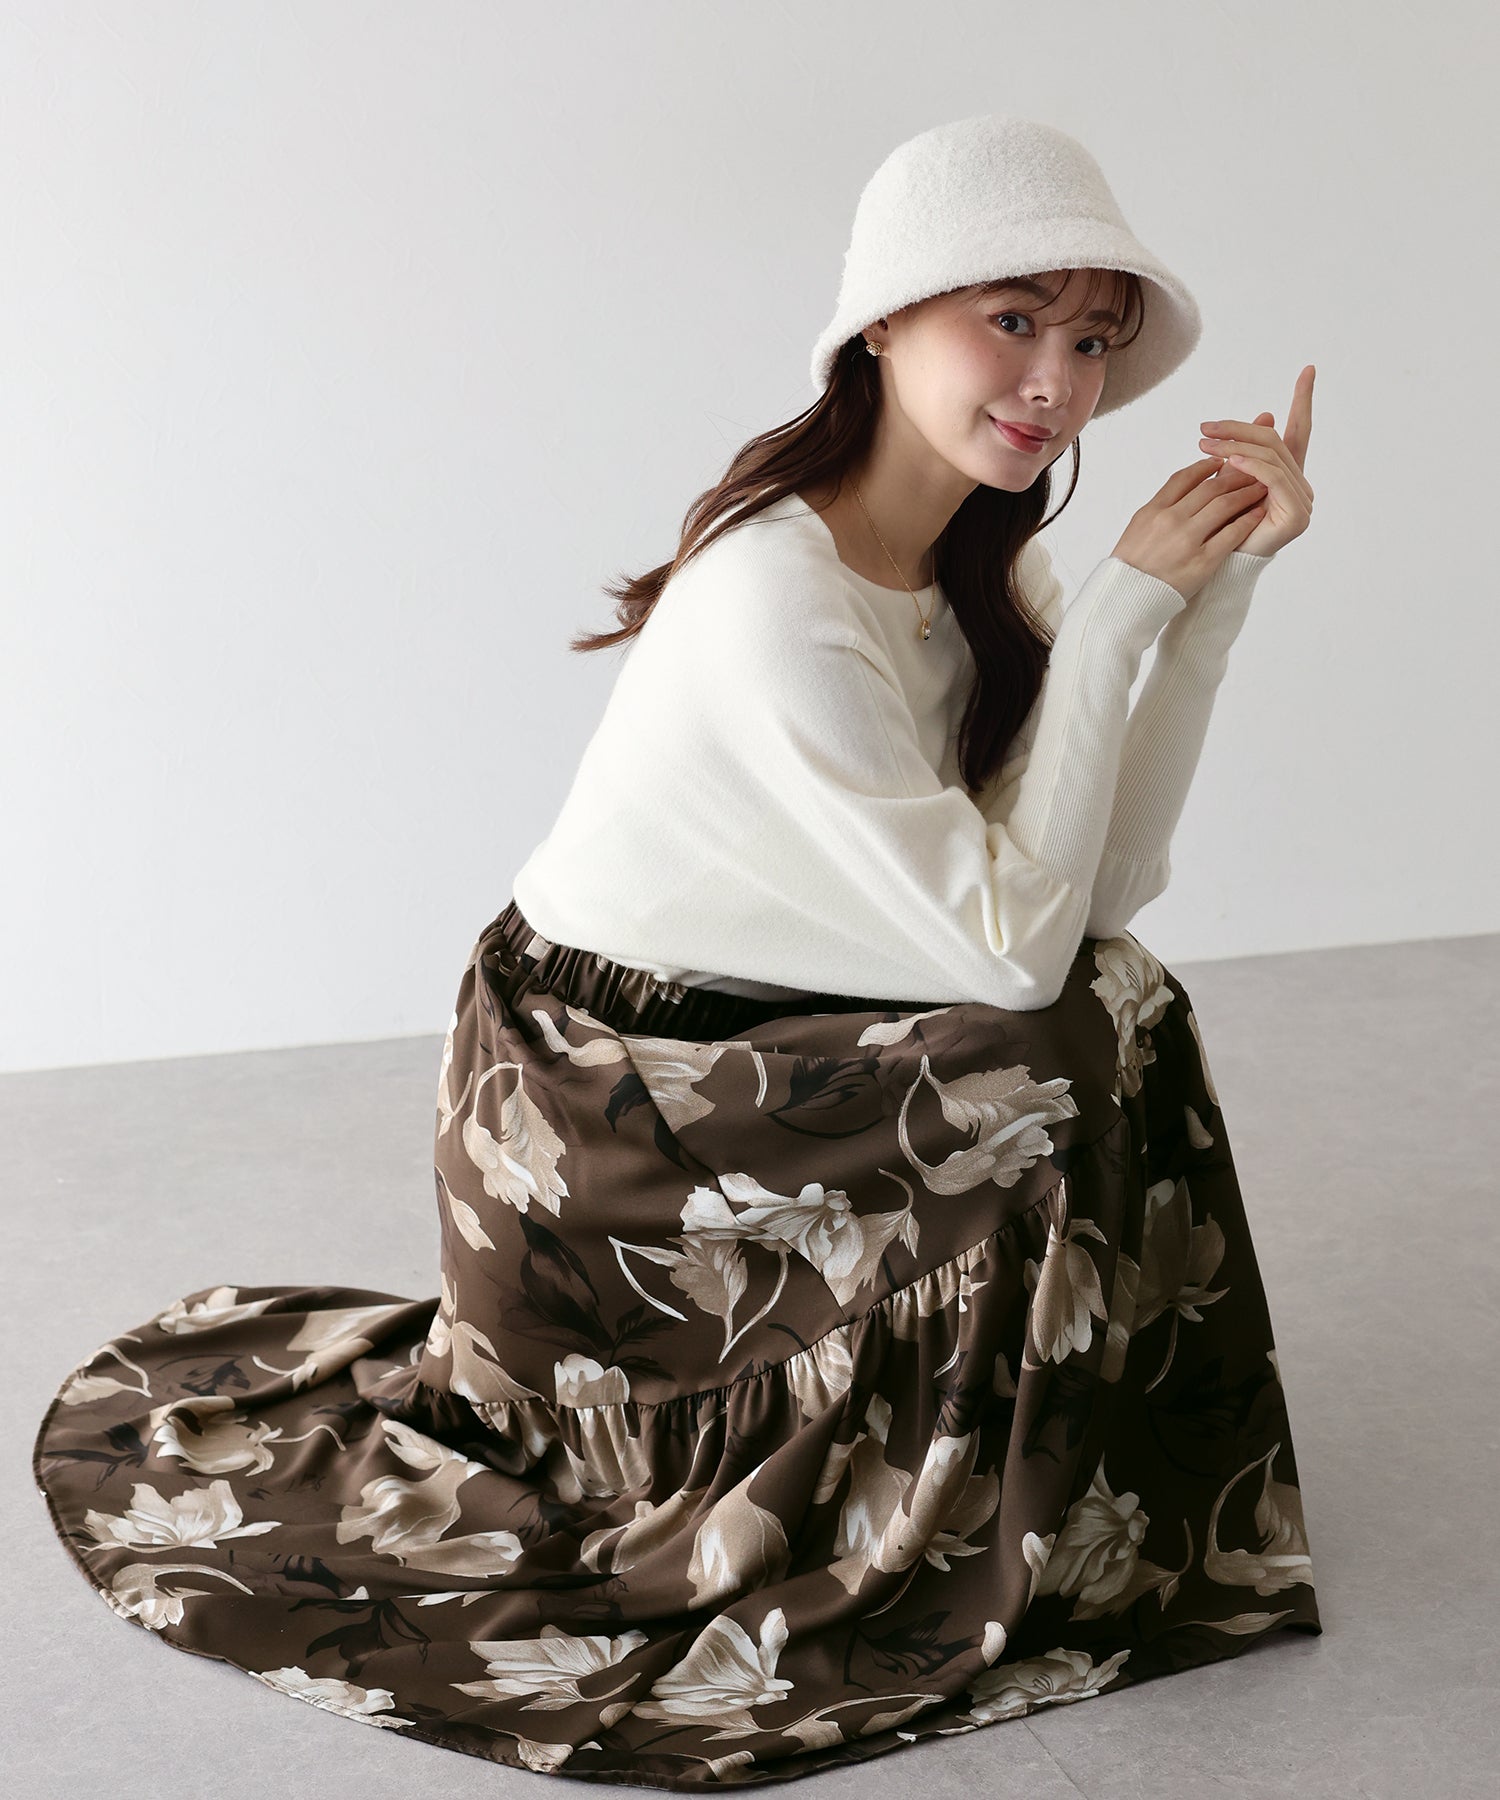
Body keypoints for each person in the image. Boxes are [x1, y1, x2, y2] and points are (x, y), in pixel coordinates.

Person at [33, 114, 1322, 1788]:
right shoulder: (776, 589)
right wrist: (1134, 608)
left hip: (753, 1051)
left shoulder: (976, 566)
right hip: (600, 1106)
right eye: (1013, 320)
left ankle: (1029, 1487)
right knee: (1043, 1054)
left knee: (1122, 1001)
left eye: (1090, 343)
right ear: (885, 320)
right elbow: (1013, 958)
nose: (1057, 382)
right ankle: (895, 1506)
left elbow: (1104, 894)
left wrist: (1209, 603)